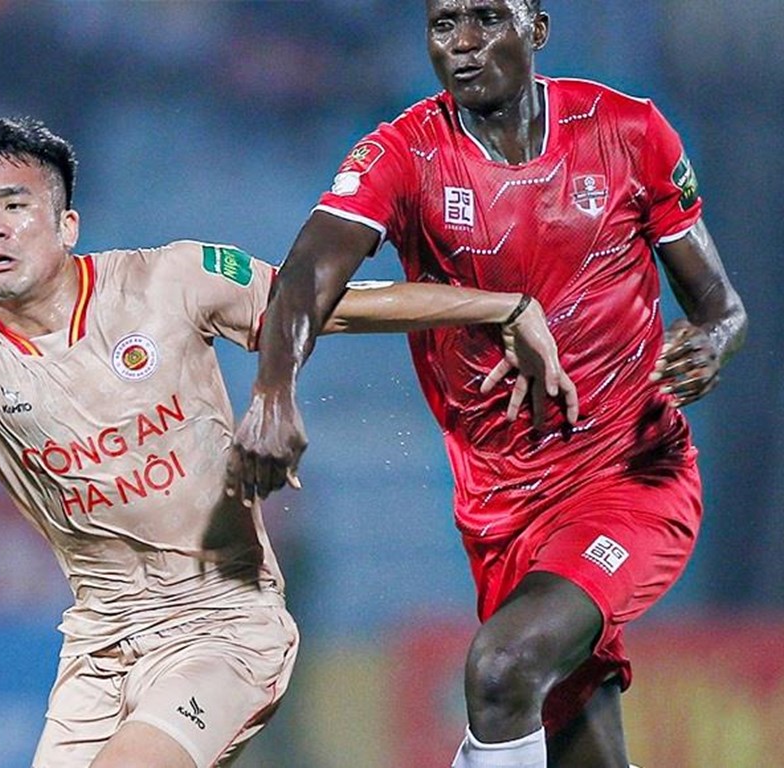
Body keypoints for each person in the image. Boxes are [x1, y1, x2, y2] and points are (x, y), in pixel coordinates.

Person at [0, 116, 567, 767]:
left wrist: (499, 306)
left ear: (68, 225)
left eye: (14, 206)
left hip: (224, 624)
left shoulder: (172, 281)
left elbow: (326, 306)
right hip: (99, 646)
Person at [227, 2, 748, 767]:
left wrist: (713, 341)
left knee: (501, 669)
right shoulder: (406, 154)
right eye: (444, 24)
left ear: (536, 27)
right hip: (502, 514)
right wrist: (273, 394)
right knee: (568, 735)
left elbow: (721, 307)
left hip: (631, 480)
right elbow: (306, 273)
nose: (464, 43)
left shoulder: (628, 132)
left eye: (487, 18)